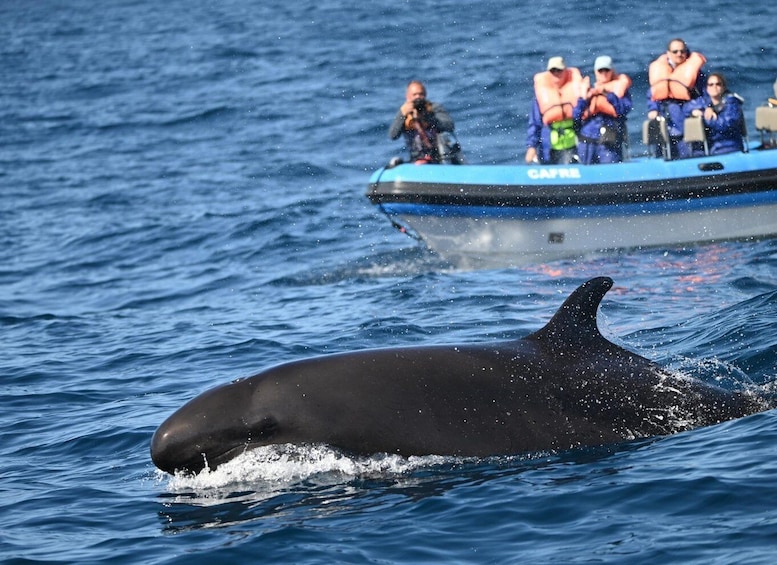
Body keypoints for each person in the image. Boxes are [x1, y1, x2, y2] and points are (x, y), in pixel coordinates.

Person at [647, 38, 707, 159]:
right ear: (668, 53)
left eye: (682, 51)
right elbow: (652, 94)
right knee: (663, 152)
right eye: (675, 51)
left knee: (688, 152)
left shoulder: (696, 73)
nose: (679, 54)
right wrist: (653, 108)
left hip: (685, 117)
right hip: (665, 118)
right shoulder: (660, 70)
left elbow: (705, 95)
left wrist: (695, 108)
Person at [572, 55, 633, 164]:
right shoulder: (588, 91)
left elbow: (623, 110)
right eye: (601, 70)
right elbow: (576, 115)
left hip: (609, 142)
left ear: (612, 71)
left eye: (607, 70)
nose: (604, 73)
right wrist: (584, 99)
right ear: (596, 72)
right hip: (587, 141)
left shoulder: (619, 90)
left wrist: (607, 94)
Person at [525, 56, 583, 164]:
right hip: (550, 146)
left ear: (565, 71)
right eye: (553, 71)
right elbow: (535, 123)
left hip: (575, 144)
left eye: (559, 70)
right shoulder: (541, 95)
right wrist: (531, 146)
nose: (556, 73)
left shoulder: (578, 90)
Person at [388, 80, 457, 164]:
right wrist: (402, 115)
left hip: (440, 157)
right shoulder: (404, 112)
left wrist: (428, 118)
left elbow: (449, 126)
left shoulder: (434, 108)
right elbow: (393, 135)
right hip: (416, 159)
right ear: (408, 96)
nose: (418, 97)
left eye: (421, 94)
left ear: (425, 94)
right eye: (414, 94)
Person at [685, 72, 745, 155]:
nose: (714, 87)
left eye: (718, 84)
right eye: (711, 84)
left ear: (724, 87)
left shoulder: (732, 103)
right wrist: (696, 111)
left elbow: (726, 125)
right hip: (711, 148)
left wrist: (707, 118)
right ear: (706, 88)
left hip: (729, 146)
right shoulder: (704, 102)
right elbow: (686, 108)